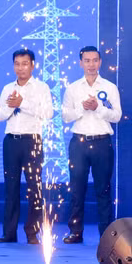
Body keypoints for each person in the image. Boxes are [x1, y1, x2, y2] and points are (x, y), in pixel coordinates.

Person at [62, 46, 122, 243]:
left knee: (103, 189)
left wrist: (98, 109)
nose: (91, 64)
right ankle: (75, 232)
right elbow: (65, 116)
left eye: (94, 60)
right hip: (78, 143)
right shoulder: (73, 88)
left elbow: (117, 116)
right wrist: (82, 107)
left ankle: (106, 235)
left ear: (100, 62)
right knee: (77, 189)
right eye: (86, 60)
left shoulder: (109, 87)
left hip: (102, 143)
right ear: (80, 63)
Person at [0, 49, 52, 244]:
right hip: (11, 141)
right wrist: (12, 105)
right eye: (17, 64)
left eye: (24, 63)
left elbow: (48, 113)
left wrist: (23, 103)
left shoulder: (41, 87)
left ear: (33, 65)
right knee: (10, 188)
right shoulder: (7, 88)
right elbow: (0, 116)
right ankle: (9, 233)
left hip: (32, 141)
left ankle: (32, 232)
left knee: (35, 188)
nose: (20, 68)